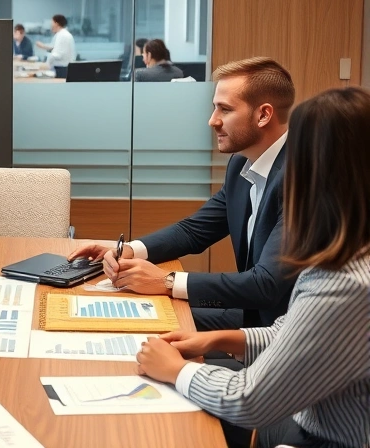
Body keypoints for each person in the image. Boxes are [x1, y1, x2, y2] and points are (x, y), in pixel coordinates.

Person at [137, 87, 370, 448]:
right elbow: (301, 330)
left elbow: (249, 402)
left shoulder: (343, 282)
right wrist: (224, 339)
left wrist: (176, 369)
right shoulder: (352, 257)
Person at [70, 57, 296, 331]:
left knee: (146, 323)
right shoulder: (241, 164)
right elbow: (194, 231)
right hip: (249, 313)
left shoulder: (301, 179)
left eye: (225, 109)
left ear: (263, 115)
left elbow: (266, 285)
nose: (212, 121)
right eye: (215, 108)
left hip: (280, 332)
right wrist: (130, 250)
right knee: (127, 315)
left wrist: (167, 282)